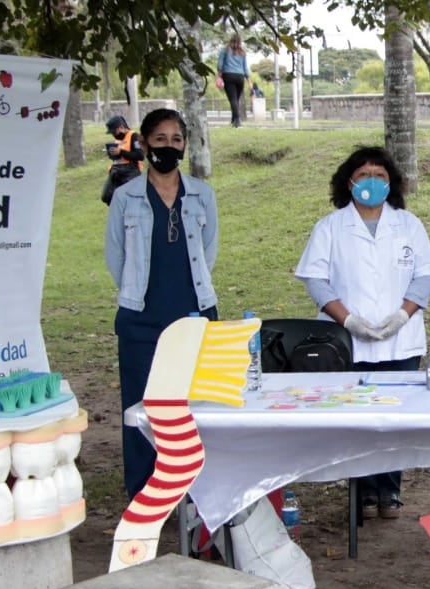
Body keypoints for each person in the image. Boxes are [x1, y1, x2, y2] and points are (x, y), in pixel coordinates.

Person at [295, 146, 430, 520]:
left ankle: (389, 491)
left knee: (394, 418)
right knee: (356, 418)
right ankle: (361, 491)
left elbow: (425, 276)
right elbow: (316, 279)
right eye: (363, 176)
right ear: (350, 182)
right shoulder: (330, 226)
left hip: (400, 338)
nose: (371, 183)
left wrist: (402, 317)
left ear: (391, 184)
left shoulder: (408, 225)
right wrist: (349, 321)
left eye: (380, 176)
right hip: (347, 339)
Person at [105, 108, 219, 499]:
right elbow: (115, 256)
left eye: (176, 140)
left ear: (184, 145)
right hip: (141, 314)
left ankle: (193, 489)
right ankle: (144, 489)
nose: (168, 147)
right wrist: (137, 290)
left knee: (193, 403)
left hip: (194, 309)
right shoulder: (125, 197)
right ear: (144, 144)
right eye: (160, 140)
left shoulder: (203, 194)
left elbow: (209, 250)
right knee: (141, 405)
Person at [102, 115, 143, 205]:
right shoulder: (118, 140)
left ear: (121, 127)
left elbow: (140, 155)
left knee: (130, 199)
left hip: (131, 172)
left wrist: (121, 152)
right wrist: (112, 154)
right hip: (117, 171)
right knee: (106, 196)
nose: (113, 135)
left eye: (114, 132)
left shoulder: (134, 136)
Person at [218, 33, 250, 128]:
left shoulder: (225, 50)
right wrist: (249, 80)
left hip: (228, 75)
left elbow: (220, 65)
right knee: (236, 99)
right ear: (240, 42)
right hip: (240, 77)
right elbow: (245, 67)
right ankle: (234, 120)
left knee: (233, 99)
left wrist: (219, 76)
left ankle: (237, 120)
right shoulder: (242, 53)